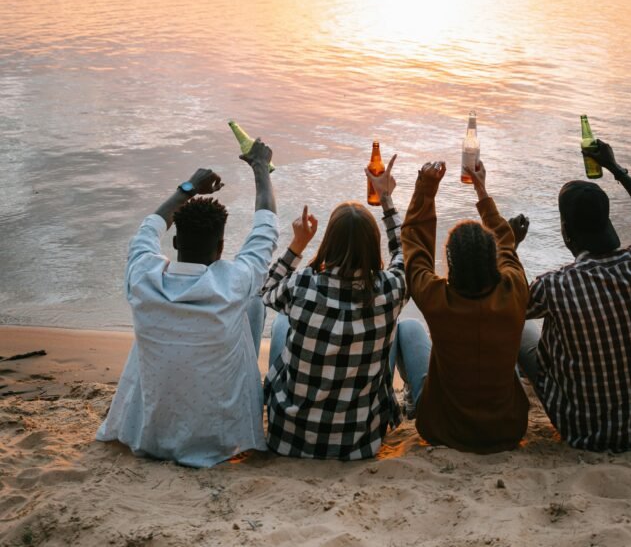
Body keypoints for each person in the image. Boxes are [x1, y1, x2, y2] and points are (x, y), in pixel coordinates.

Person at [97, 140, 278, 467]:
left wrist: (188, 188)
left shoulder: (143, 277)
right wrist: (260, 167)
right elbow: (265, 229)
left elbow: (148, 229)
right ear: (222, 247)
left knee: (151, 320)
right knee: (252, 305)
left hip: (151, 436)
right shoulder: (234, 282)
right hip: (220, 441)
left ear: (176, 242)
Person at [518, 139, 631, 452]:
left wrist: (510, 247)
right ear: (607, 222)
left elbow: (508, 305)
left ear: (565, 232)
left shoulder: (556, 286)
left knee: (521, 330)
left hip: (581, 430)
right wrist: (616, 170)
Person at [261, 153, 406, 459]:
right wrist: (387, 199)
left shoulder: (302, 285)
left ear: (329, 242)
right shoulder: (390, 290)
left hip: (288, 437)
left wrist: (297, 245)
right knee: (393, 330)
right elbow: (404, 255)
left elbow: (267, 291)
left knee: (281, 324)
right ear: (372, 243)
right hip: (359, 444)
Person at [398, 159, 530, 453]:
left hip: (443, 430)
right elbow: (507, 245)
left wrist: (426, 189)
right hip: (507, 430)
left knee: (408, 329)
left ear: (451, 263)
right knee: (524, 331)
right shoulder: (514, 290)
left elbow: (415, 247)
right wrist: (482, 192)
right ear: (492, 259)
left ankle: (407, 394)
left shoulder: (437, 298)